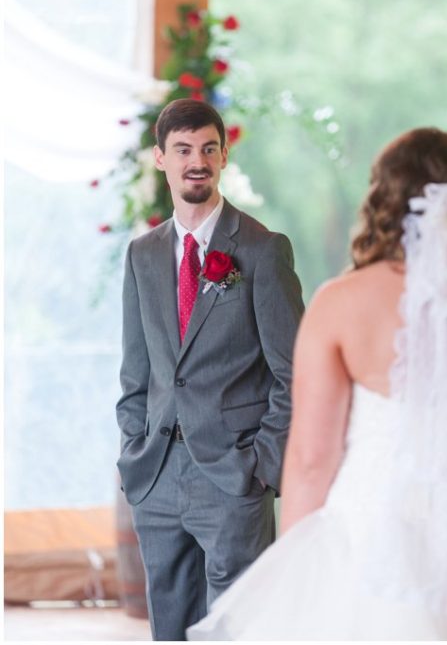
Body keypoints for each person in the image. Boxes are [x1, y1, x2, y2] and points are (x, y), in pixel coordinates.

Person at [188, 127, 447, 640]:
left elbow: (312, 459)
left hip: (369, 544)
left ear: (383, 198)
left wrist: (293, 572)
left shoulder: (341, 302)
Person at [115, 99, 304, 640]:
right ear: (161, 158)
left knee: (237, 629)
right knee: (169, 630)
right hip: (155, 479)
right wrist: (134, 450)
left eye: (207, 149)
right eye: (182, 150)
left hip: (233, 479)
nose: (196, 161)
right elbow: (136, 373)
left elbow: (296, 374)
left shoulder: (264, 251)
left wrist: (262, 466)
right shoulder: (142, 255)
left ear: (223, 156)